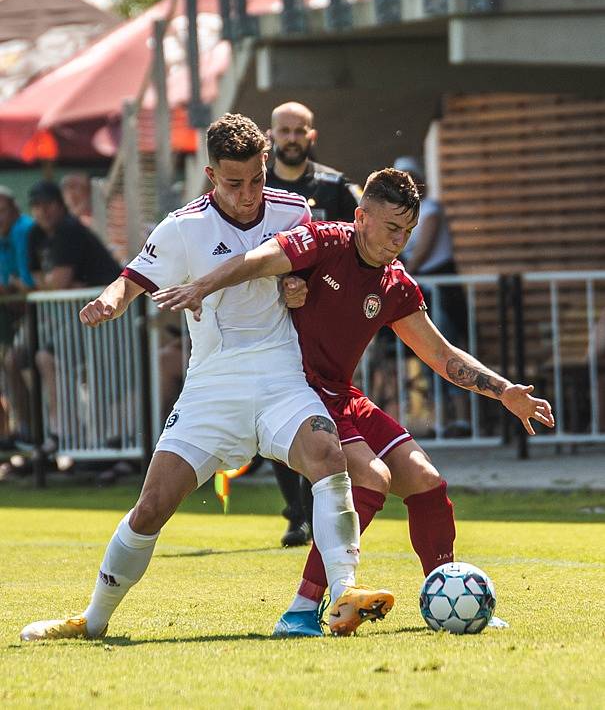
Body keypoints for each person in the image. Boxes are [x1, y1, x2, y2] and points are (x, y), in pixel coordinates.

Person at [19, 114, 393, 643]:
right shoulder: (183, 226)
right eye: (233, 183)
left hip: (280, 374)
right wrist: (111, 298)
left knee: (328, 457)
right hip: (212, 387)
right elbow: (134, 278)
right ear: (212, 175)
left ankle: (345, 593)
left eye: (257, 180)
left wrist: (297, 290)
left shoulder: (294, 209)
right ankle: (92, 620)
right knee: (151, 508)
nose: (247, 195)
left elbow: (306, 277)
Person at [153, 167, 555, 637]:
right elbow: (255, 260)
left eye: (407, 232)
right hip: (293, 390)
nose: (398, 241)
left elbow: (442, 356)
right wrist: (203, 285)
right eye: (390, 228)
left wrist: (504, 391)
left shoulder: (395, 283)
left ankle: (442, 596)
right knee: (372, 478)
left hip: (341, 394)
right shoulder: (324, 241)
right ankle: (303, 609)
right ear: (361, 216)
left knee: (427, 482)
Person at [265, 101, 361, 547]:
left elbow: (363, 248)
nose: (290, 138)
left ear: (311, 136)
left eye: (297, 131)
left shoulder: (336, 188)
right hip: (270, 321)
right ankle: (296, 515)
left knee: (324, 413)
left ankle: (322, 507)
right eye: (282, 131)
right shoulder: (255, 187)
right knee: (275, 412)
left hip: (326, 322)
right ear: (271, 136)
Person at [26, 180, 121, 448]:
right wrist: (56, 284)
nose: (42, 212)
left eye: (48, 205)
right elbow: (46, 282)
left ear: (60, 206)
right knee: (37, 358)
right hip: (78, 314)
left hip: (108, 316)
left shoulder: (70, 230)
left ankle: (67, 435)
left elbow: (54, 283)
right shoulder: (36, 234)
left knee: (51, 358)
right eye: (36, 206)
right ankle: (66, 434)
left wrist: (55, 284)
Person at [396, 156, 470, 436]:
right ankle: (439, 421)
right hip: (423, 289)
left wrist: (399, 274)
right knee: (427, 355)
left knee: (449, 349)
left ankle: (462, 418)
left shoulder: (431, 209)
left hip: (442, 290)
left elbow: (423, 250)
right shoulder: (404, 214)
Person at [0, 187, 35, 449]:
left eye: (2, 211)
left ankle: (31, 432)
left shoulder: (23, 230)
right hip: (20, 316)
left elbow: (27, 285)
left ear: (14, 210)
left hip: (40, 314)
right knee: (12, 362)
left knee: (16, 361)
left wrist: (15, 287)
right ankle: (24, 431)